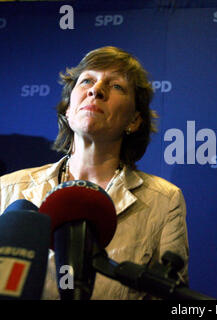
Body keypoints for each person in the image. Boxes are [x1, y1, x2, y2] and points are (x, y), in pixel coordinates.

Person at [0, 46, 189, 299]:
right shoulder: (8, 190)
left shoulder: (164, 201)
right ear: (68, 110)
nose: (96, 90)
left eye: (116, 86)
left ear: (134, 120)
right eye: (87, 80)